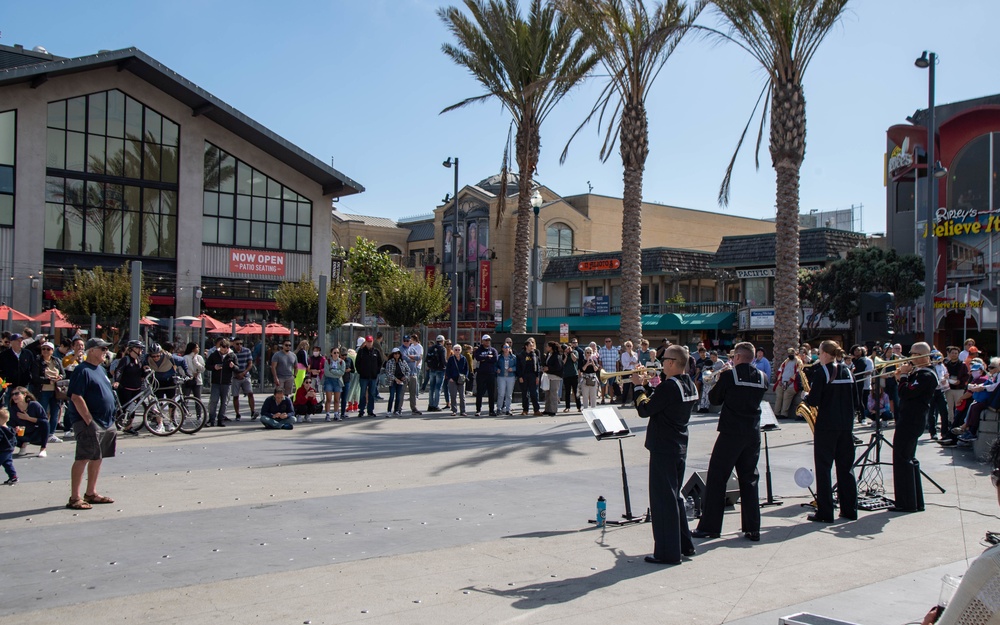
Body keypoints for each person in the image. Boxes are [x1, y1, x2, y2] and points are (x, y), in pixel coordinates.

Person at [692, 342, 768, 542]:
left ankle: (710, 527)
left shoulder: (730, 375)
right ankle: (753, 528)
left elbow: (715, 400)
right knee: (750, 479)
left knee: (717, 478)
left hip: (731, 432)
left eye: (734, 356)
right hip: (752, 434)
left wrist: (721, 377)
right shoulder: (762, 377)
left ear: (739, 357)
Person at [633, 345, 699, 565]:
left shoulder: (670, 386)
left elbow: (645, 410)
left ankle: (667, 552)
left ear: (672, 363)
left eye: (664, 360)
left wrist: (636, 389)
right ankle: (684, 544)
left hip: (663, 446)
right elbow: (663, 403)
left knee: (663, 500)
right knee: (675, 497)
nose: (661, 363)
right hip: (679, 444)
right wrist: (648, 387)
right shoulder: (687, 383)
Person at [802, 340, 859, 523]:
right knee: (846, 468)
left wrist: (806, 397)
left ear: (825, 353)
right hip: (846, 425)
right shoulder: (848, 370)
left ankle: (825, 512)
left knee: (824, 468)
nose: (818, 355)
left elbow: (814, 400)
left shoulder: (823, 372)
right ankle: (849, 509)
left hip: (827, 426)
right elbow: (857, 401)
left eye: (819, 352)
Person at [64, 338, 117, 510]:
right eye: (102, 349)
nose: (105, 352)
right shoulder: (82, 370)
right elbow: (76, 397)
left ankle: (91, 492)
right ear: (91, 350)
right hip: (89, 421)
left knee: (98, 456)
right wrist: (88, 420)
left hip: (105, 421)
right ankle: (75, 497)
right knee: (83, 457)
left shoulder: (101, 369)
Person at [891, 341, 937, 513]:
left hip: (912, 420)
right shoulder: (919, 373)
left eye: (912, 354)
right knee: (908, 458)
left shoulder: (926, 375)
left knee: (902, 460)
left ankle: (906, 502)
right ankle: (914, 501)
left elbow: (906, 393)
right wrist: (901, 377)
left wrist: (903, 376)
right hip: (910, 418)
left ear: (920, 356)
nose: (909, 357)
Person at [33, 341, 65, 444]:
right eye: (43, 349)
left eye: (48, 349)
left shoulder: (57, 361)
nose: (45, 351)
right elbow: (35, 377)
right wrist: (48, 380)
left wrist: (60, 377)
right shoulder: (37, 361)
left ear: (52, 351)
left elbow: (63, 374)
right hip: (43, 390)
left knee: (55, 412)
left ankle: (51, 433)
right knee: (42, 413)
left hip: (56, 391)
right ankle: (42, 433)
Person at [114, 340, 148, 435]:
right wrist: (117, 381)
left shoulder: (140, 360)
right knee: (125, 408)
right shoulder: (126, 359)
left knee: (133, 408)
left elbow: (141, 373)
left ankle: (129, 427)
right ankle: (123, 424)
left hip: (136, 388)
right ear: (132, 349)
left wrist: (146, 372)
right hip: (125, 388)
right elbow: (119, 370)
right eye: (138, 348)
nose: (141, 350)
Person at [205, 339, 238, 427]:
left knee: (224, 402)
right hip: (216, 382)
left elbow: (238, 368)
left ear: (228, 348)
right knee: (213, 401)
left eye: (224, 350)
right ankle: (211, 419)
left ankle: (221, 419)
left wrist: (233, 366)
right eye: (221, 350)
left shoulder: (232, 356)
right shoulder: (214, 354)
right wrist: (214, 367)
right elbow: (207, 365)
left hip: (226, 382)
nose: (222, 352)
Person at [10, 386, 49, 457]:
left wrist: (28, 418)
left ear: (24, 394)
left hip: (35, 433)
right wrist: (15, 428)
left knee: (45, 424)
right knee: (8, 431)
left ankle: (43, 449)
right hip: (21, 434)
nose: (14, 396)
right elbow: (11, 424)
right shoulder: (13, 409)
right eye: (12, 394)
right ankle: (22, 445)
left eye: (16, 394)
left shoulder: (34, 405)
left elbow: (44, 420)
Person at [0, 333, 35, 406]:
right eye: (17, 340)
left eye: (21, 340)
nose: (20, 342)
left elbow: (33, 368)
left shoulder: (27, 354)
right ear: (11, 342)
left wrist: (30, 379)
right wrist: (4, 382)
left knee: (24, 406)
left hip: (24, 386)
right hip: (9, 387)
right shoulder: (4, 355)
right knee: (9, 406)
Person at [354, 335, 382, 418]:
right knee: (362, 393)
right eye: (368, 342)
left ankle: (370, 410)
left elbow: (380, 363)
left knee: (371, 394)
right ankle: (361, 410)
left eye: (370, 342)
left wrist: (376, 372)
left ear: (372, 342)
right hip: (363, 377)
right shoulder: (361, 351)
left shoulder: (376, 351)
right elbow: (357, 363)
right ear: (365, 342)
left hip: (373, 377)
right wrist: (361, 372)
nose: (369, 343)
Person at [230, 338, 257, 421]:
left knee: (250, 393)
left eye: (241, 343)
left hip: (245, 375)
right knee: (235, 396)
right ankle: (237, 414)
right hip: (235, 376)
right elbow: (229, 365)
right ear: (233, 344)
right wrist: (236, 374)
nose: (239, 345)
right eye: (237, 344)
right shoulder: (231, 353)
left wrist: (244, 373)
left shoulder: (247, 351)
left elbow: (250, 364)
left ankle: (252, 411)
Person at [473, 335, 499, 416]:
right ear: (482, 341)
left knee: (491, 393)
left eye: (489, 340)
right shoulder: (479, 350)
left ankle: (491, 410)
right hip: (481, 374)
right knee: (480, 392)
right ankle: (478, 410)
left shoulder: (493, 350)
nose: (487, 341)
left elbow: (495, 359)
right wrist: (487, 357)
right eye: (486, 340)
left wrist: (484, 359)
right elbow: (477, 357)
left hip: (491, 374)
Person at [772, 348, 802, 419]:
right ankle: (776, 413)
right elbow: (780, 371)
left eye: (792, 354)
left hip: (792, 384)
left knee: (787, 395)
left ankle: (784, 414)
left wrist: (791, 380)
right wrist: (779, 380)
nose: (790, 355)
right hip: (782, 382)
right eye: (789, 354)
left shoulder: (798, 362)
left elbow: (798, 372)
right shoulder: (785, 362)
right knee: (779, 395)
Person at [517, 338, 541, 416]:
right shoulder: (521, 355)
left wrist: (537, 376)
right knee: (525, 394)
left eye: (532, 345)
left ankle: (536, 410)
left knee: (534, 393)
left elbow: (537, 366)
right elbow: (518, 367)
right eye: (530, 345)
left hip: (532, 376)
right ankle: (525, 410)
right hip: (524, 376)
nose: (532, 347)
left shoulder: (534, 354)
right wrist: (520, 376)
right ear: (526, 346)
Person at [384, 347, 410, 416]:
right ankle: (389, 411)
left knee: (398, 396)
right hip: (392, 382)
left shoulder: (402, 361)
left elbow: (408, 370)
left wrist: (405, 377)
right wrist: (395, 379)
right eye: (395, 354)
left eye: (398, 354)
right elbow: (388, 373)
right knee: (392, 396)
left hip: (401, 381)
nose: (397, 355)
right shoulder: (390, 362)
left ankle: (396, 410)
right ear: (393, 354)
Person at [425, 335, 448, 412]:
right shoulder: (442, 348)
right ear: (443, 341)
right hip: (440, 370)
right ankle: (436, 405)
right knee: (438, 388)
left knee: (431, 388)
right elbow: (444, 360)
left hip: (432, 370)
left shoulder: (431, 348)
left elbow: (427, 358)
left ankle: (430, 405)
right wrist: (448, 367)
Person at [446, 344, 469, 416]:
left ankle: (463, 411)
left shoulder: (463, 358)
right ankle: (454, 410)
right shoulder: (451, 359)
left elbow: (466, 368)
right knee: (453, 396)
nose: (457, 351)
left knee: (462, 396)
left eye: (459, 350)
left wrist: (465, 376)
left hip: (461, 380)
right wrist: (450, 378)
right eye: (456, 350)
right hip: (453, 379)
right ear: (453, 350)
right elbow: (448, 369)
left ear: (461, 350)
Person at [541, 341, 563, 416]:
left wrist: (549, 368)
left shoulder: (557, 356)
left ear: (551, 347)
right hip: (548, 376)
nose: (546, 348)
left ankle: (553, 410)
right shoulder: (548, 355)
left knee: (553, 393)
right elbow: (546, 363)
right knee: (547, 393)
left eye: (547, 346)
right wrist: (544, 367)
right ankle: (547, 409)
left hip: (555, 377)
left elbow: (558, 367)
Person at [323, 347, 345, 421]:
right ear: (331, 353)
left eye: (337, 353)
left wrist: (332, 371)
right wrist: (336, 372)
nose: (336, 354)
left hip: (338, 381)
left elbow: (342, 372)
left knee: (337, 399)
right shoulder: (327, 361)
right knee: (328, 399)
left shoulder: (342, 362)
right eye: (334, 353)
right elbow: (326, 372)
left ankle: (336, 414)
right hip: (329, 381)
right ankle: (327, 414)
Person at [496, 343, 517, 416]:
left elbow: (517, 366)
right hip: (501, 376)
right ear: (502, 349)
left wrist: (513, 369)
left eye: (508, 347)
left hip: (510, 377)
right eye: (505, 347)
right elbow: (495, 365)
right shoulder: (499, 357)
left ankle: (508, 409)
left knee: (509, 394)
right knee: (501, 393)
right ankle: (499, 408)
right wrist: (497, 369)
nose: (506, 348)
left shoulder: (513, 357)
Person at [405, 334, 423, 415]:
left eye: (410, 339)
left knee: (416, 382)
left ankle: (416, 395)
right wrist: (411, 358)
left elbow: (419, 357)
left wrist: (416, 364)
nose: (409, 341)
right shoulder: (411, 346)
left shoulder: (419, 346)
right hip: (409, 367)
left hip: (416, 366)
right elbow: (406, 356)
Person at [598, 339, 620, 404]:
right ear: (604, 342)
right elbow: (600, 360)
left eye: (609, 341)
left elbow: (617, 361)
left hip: (612, 371)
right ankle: (602, 399)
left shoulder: (615, 350)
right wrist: (601, 369)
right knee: (603, 385)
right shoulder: (601, 350)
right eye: (606, 341)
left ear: (611, 342)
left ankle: (612, 399)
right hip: (604, 371)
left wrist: (617, 370)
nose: (608, 342)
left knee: (611, 385)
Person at [561, 342, 581, 413]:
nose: (566, 350)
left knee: (576, 391)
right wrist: (565, 356)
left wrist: (571, 352)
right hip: (566, 375)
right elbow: (562, 363)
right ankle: (567, 407)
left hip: (574, 374)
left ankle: (579, 407)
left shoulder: (575, 352)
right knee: (567, 392)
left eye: (567, 348)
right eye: (565, 349)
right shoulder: (563, 355)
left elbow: (575, 360)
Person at [0, 407, 16, 484]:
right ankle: (13, 476)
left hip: (2, 450)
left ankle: (13, 476)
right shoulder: (10, 429)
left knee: (7, 463)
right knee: (7, 463)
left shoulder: (0, 430)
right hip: (9, 449)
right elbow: (14, 440)